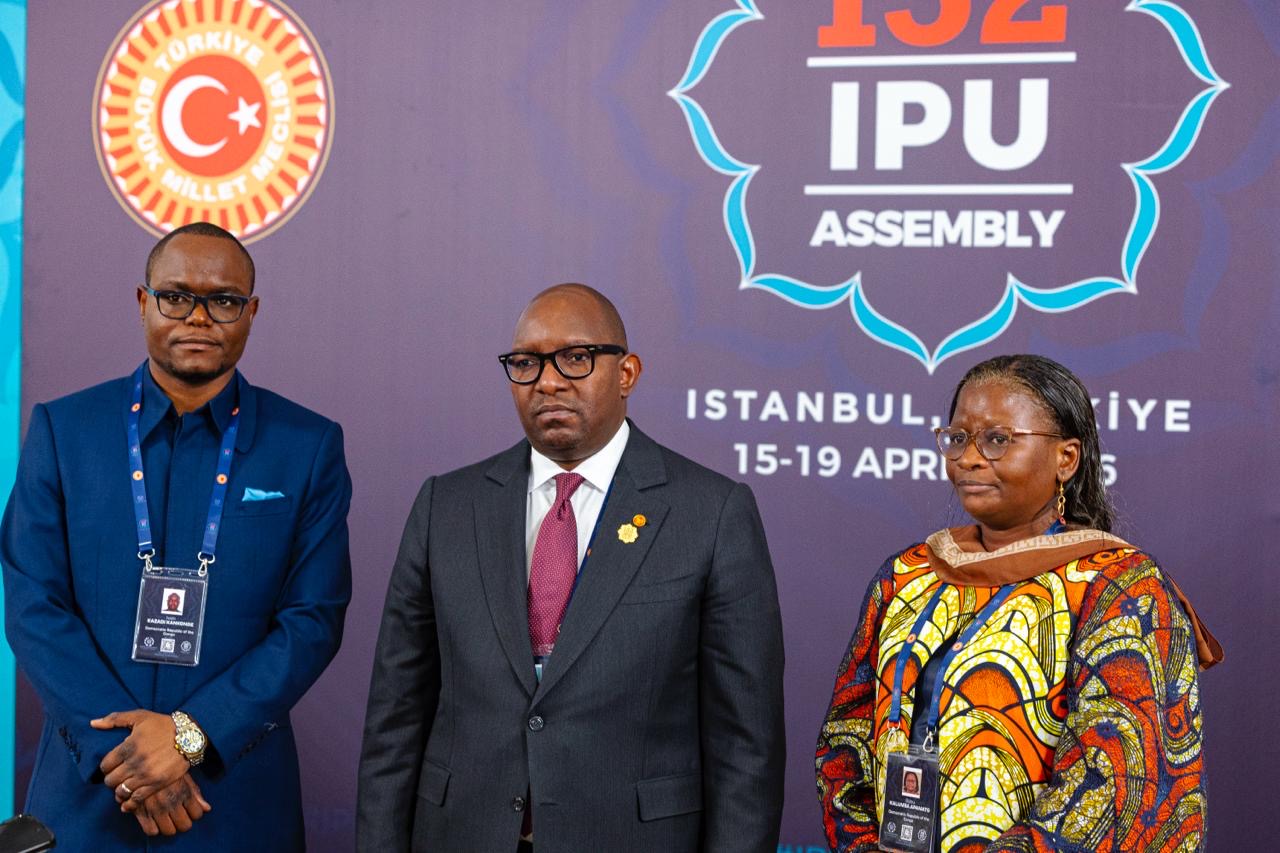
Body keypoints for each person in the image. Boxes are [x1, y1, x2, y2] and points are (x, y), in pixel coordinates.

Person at [357, 283, 786, 852]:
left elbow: (746, 744)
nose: (549, 381)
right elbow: (396, 717)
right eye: (527, 363)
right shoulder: (447, 506)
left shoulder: (711, 512)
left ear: (627, 373)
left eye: (576, 359)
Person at [0, 222, 353, 851]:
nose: (198, 317)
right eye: (176, 296)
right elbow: (34, 606)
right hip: (91, 798)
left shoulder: (308, 446)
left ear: (251, 311)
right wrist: (130, 757)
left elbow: (313, 621)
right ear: (143, 302)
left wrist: (191, 737)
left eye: (223, 301)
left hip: (233, 796)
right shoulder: (63, 431)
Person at [816, 354, 1221, 853]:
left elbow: (1114, 777)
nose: (968, 458)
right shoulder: (907, 574)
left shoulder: (1118, 587)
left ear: (1065, 459)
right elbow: (845, 737)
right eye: (958, 438)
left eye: (997, 439)